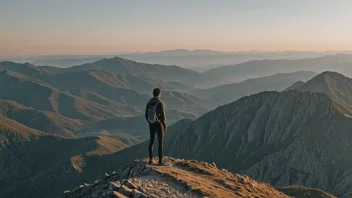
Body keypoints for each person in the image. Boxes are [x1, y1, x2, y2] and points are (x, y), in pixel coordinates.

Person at [145, 88, 166, 165]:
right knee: (160, 142)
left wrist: (150, 122)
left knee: (151, 141)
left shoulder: (149, 103)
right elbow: (163, 116)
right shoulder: (160, 103)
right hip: (159, 124)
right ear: (159, 94)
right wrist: (164, 125)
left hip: (151, 124)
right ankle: (160, 161)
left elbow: (146, 115)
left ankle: (151, 159)